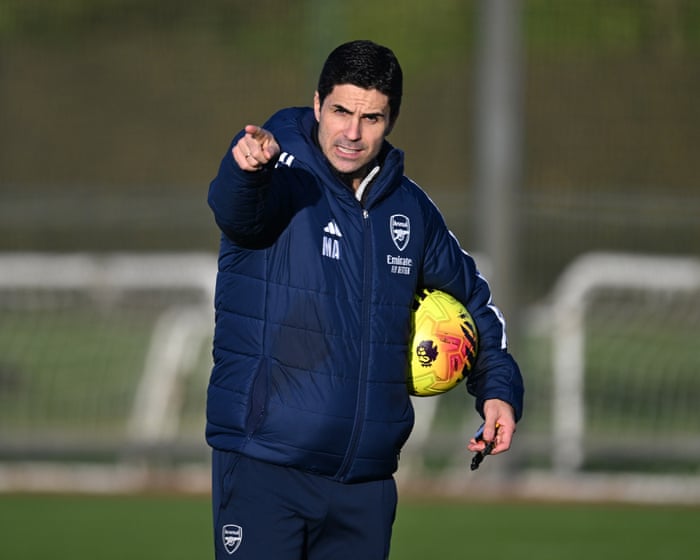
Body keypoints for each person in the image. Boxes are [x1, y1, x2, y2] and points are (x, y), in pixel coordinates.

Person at [206, 39, 524, 559]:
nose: (352, 133)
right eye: (341, 112)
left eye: (371, 118)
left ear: (391, 119)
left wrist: (498, 391)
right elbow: (237, 210)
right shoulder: (276, 177)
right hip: (266, 465)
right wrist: (247, 171)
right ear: (317, 104)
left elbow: (476, 303)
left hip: (365, 483)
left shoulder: (410, 210)